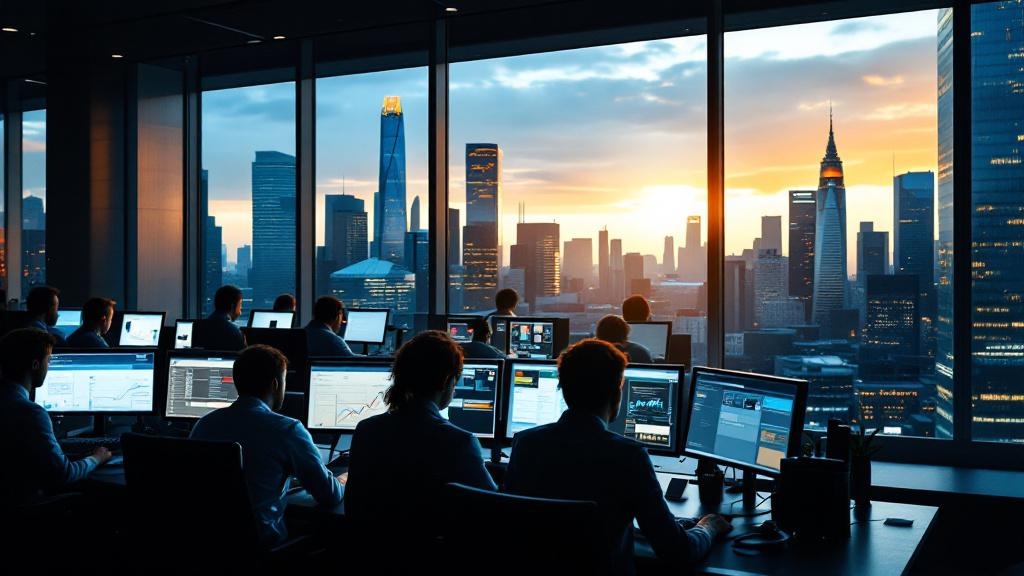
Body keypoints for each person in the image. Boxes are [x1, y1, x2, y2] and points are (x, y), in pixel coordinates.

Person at [503, 339, 731, 574]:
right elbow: (677, 551)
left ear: (564, 388)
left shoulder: (526, 445)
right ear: (617, 393)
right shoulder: (628, 456)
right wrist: (708, 526)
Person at [345, 331, 496, 541]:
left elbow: (354, 505)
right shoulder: (459, 442)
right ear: (446, 381)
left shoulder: (366, 430)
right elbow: (494, 509)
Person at [190, 345, 343, 546]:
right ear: (275, 384)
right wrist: (342, 480)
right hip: (263, 547)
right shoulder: (287, 429)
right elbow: (329, 495)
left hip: (209, 542)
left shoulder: (204, 425)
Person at [0, 329, 112, 506]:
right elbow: (65, 474)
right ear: (36, 365)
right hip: (24, 506)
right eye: (49, 361)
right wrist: (97, 457)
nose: (49, 367)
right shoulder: (31, 413)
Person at [193, 285, 246, 351]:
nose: (241, 309)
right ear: (232, 306)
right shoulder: (236, 333)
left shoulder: (197, 328)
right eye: (240, 304)